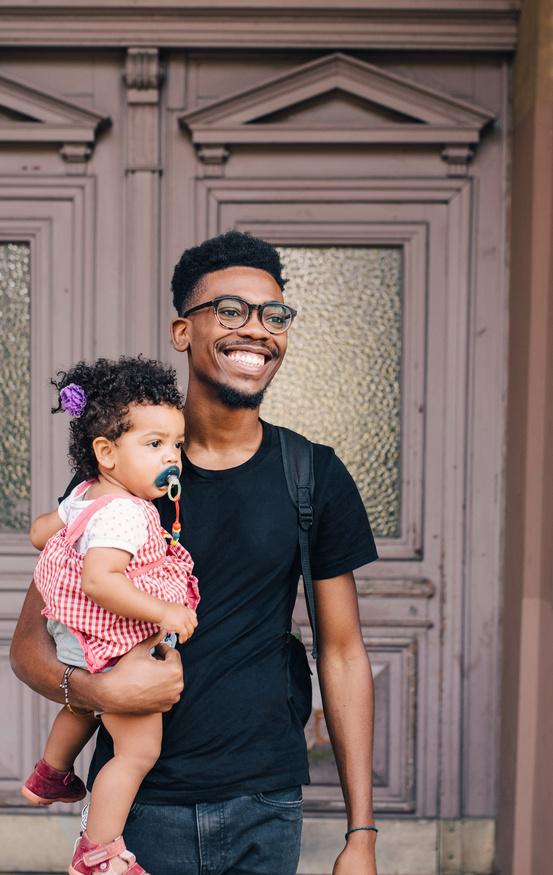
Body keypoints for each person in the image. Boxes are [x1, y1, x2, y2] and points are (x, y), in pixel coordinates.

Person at [11, 230, 379, 875]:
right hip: (137, 811)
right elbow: (30, 647)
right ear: (183, 332)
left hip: (265, 801)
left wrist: (362, 834)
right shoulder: (115, 481)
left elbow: (343, 651)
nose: (257, 329)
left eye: (274, 314)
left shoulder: (312, 473)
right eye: (231, 310)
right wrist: (98, 689)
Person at [19, 356, 200, 875]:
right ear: (106, 452)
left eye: (176, 444)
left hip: (72, 632)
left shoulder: (84, 494)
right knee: (137, 751)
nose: (172, 457)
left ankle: (49, 775)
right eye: (155, 444)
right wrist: (166, 608)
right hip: (108, 641)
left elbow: (38, 533)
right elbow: (101, 580)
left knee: (82, 708)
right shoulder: (124, 511)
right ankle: (98, 851)